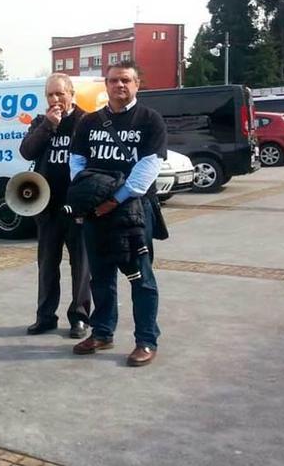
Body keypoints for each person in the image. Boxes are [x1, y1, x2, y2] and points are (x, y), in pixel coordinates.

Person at [69, 60, 168, 367]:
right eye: (113, 81)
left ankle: (146, 340)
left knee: (141, 279)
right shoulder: (89, 122)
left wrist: (113, 200)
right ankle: (102, 332)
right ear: (106, 85)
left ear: (137, 84)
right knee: (100, 276)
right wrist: (88, 196)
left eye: (126, 80)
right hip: (96, 213)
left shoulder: (150, 120)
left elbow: (147, 169)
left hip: (133, 211)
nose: (119, 85)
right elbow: (76, 162)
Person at [19, 73, 91, 339]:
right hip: (47, 207)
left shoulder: (86, 121)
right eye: (50, 94)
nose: (55, 99)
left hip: (77, 207)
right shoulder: (41, 122)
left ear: (71, 94)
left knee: (81, 266)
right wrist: (48, 126)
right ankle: (45, 316)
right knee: (47, 265)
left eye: (60, 93)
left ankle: (80, 317)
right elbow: (27, 151)